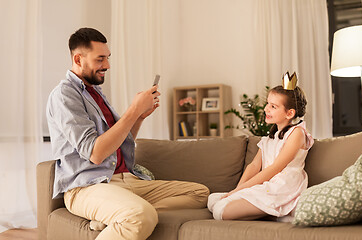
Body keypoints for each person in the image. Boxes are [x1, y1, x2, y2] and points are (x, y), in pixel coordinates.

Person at [46, 27, 209, 240]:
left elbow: (118, 141)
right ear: (78, 59)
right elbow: (95, 153)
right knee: (140, 215)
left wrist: (140, 116)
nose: (107, 65)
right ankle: (123, 211)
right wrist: (133, 110)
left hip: (127, 181)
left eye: (108, 58)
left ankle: (115, 213)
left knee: (199, 194)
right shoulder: (65, 96)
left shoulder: (95, 93)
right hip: (88, 186)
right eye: (100, 59)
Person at [207, 72, 314, 221]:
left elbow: (275, 168)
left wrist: (237, 193)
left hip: (283, 187)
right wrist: (236, 190)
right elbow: (254, 166)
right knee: (212, 200)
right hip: (268, 184)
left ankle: (279, 211)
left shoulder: (297, 133)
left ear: (289, 113)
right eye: (267, 104)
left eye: (273, 106)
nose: (266, 109)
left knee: (221, 211)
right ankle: (271, 212)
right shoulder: (269, 138)